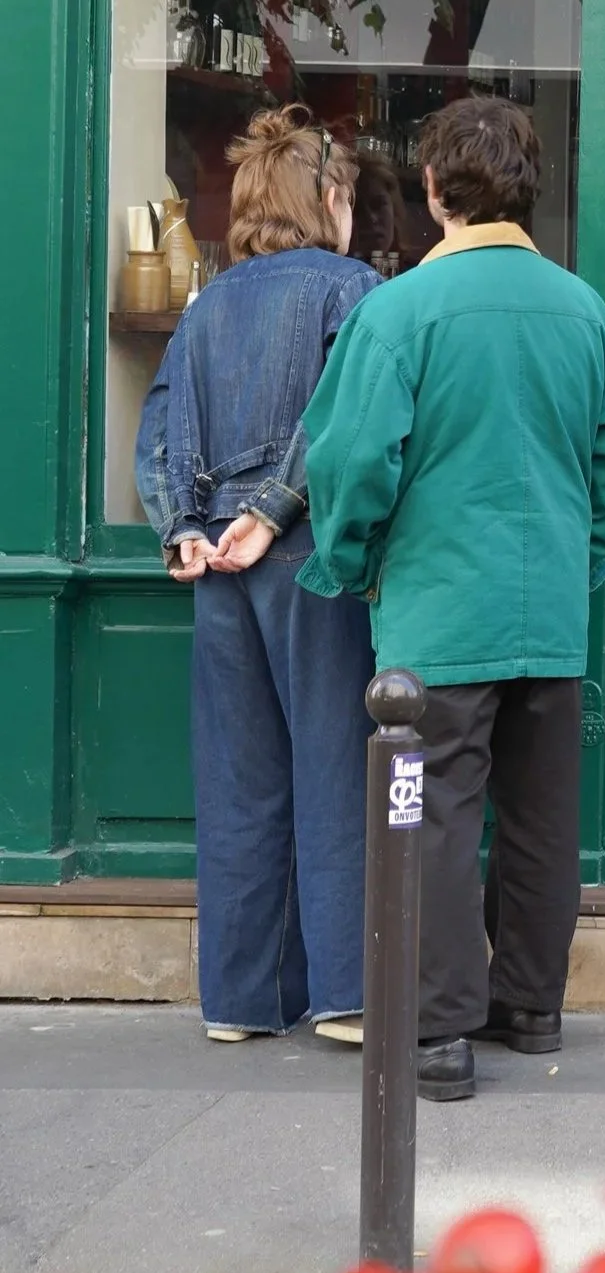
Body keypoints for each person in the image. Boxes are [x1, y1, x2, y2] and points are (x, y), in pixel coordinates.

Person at [298, 95, 605, 1102]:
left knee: (430, 815)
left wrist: (355, 560)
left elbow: (354, 460)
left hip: (436, 617)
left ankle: (437, 1034)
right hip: (548, 617)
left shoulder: (397, 311)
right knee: (540, 817)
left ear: (436, 190)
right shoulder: (586, 312)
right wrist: (583, 563)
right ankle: (531, 1007)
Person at [136, 107, 378, 1045]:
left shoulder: (205, 304)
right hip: (306, 559)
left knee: (240, 783)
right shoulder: (349, 287)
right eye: (347, 194)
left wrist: (184, 532)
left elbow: (157, 430)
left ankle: (240, 1002)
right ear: (328, 198)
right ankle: (346, 995)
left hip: (218, 569)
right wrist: (272, 510)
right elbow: (340, 420)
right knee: (333, 770)